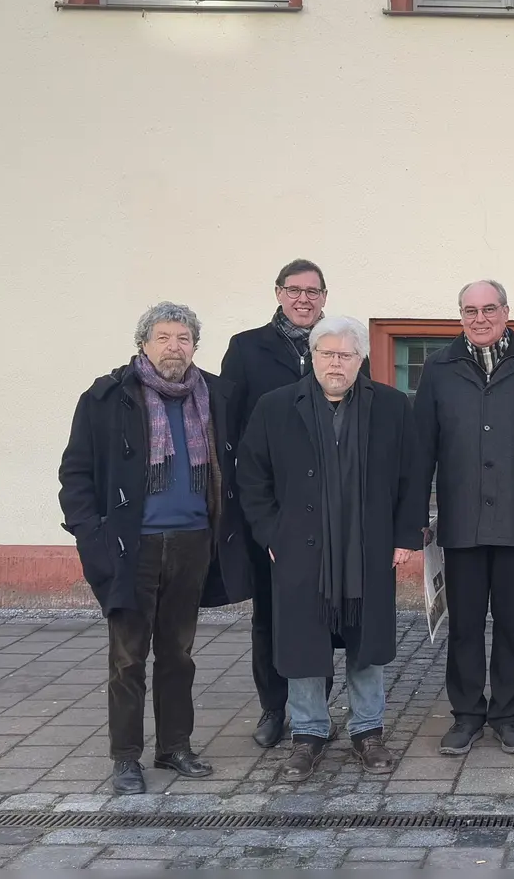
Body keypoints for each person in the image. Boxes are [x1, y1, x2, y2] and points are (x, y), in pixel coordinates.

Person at [58, 302, 252, 795]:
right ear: (144, 342)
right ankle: (126, 757)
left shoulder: (217, 395)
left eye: (183, 338)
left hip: (193, 542)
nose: (174, 347)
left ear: (195, 346)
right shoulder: (107, 398)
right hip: (130, 546)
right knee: (127, 658)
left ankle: (174, 746)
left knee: (179, 652)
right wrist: (91, 535)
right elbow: (75, 474)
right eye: (164, 337)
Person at [237, 316, 426, 782]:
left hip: (369, 546)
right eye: (326, 354)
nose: (335, 363)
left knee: (367, 642)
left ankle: (368, 730)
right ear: (312, 358)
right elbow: (252, 478)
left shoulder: (392, 407)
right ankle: (308, 734)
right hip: (301, 548)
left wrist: (405, 536)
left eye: (345, 354)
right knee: (303, 641)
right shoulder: (276, 406)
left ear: (360, 360)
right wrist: (271, 534)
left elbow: (413, 475)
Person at [414, 279, 514, 757]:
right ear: (459, 316)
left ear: (506, 312)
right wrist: (417, 513)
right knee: (463, 624)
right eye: (469, 311)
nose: (479, 319)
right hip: (460, 519)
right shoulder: (439, 368)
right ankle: (466, 715)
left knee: (511, 623)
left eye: (488, 309)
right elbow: (421, 448)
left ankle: (507, 715)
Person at [222, 259, 334, 749]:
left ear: (325, 296)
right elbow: (230, 430)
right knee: (270, 613)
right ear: (278, 293)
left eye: (313, 291)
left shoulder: (340, 345)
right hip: (273, 507)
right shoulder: (248, 348)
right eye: (295, 290)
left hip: (329, 506)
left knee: (323, 610)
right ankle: (274, 707)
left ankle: (317, 709)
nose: (304, 299)